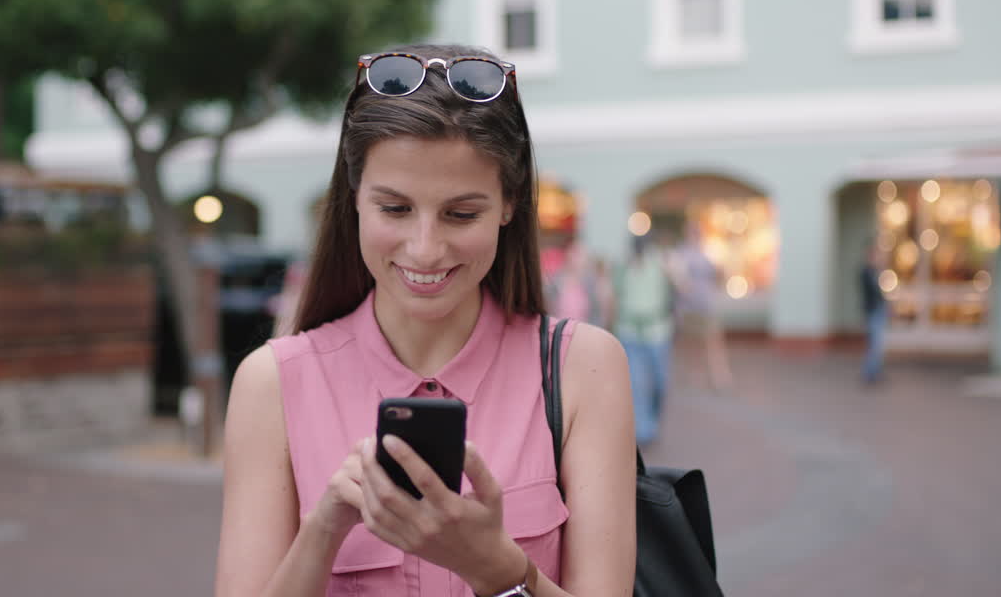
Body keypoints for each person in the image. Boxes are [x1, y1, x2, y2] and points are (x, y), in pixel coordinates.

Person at [214, 45, 636, 597]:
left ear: (509, 204)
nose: (425, 248)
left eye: (462, 214)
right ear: (354, 195)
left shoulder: (583, 369)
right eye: (395, 208)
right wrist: (324, 529)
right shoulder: (271, 383)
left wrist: (502, 573)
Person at [615, 234, 675, 447]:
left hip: (657, 332)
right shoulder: (623, 267)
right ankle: (644, 429)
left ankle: (653, 420)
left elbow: (678, 286)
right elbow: (614, 296)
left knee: (660, 381)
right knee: (636, 383)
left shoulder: (660, 264)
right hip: (630, 331)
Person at [670, 221, 733, 391]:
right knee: (691, 345)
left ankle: (720, 377)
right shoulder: (681, 254)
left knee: (713, 342)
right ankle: (694, 377)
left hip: (706, 305)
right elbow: (678, 280)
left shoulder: (707, 252)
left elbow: (718, 276)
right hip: (688, 307)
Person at [859, 242, 888, 384]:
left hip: (877, 310)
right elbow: (871, 293)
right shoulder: (866, 272)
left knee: (876, 344)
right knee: (874, 344)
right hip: (872, 311)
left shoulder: (874, 273)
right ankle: (869, 373)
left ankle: (873, 372)